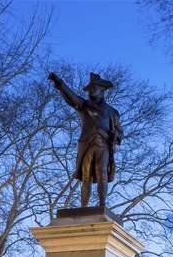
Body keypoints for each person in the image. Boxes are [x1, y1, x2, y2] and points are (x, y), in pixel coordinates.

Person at [48, 72, 123, 208]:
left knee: (102, 173)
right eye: (90, 89)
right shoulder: (84, 105)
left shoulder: (112, 112)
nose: (91, 91)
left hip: (103, 145)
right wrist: (59, 83)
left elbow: (119, 131)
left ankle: (102, 205)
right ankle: (84, 207)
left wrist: (116, 136)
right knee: (86, 175)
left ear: (102, 89)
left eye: (94, 88)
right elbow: (72, 98)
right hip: (86, 144)